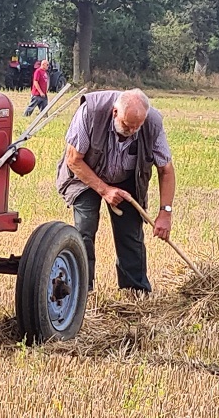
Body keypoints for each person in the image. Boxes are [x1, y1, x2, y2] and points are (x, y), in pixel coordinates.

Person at [55, 88, 176, 293]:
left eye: (137, 127)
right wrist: (104, 190)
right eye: (128, 126)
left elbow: (166, 170)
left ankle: (135, 291)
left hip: (127, 178)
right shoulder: (90, 112)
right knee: (85, 229)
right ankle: (82, 290)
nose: (132, 132)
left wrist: (165, 212)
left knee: (131, 234)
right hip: (86, 174)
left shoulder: (152, 123)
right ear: (114, 113)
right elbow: (74, 160)